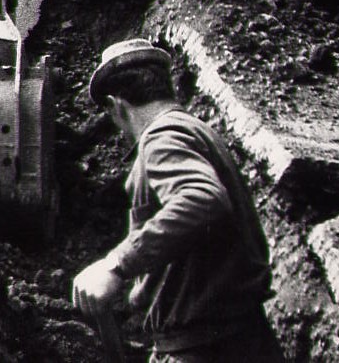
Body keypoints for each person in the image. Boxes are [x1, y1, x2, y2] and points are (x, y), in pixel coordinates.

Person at [72, 38, 284, 362]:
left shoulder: (161, 138)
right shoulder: (196, 130)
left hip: (207, 349)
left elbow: (202, 199)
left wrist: (116, 266)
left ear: (117, 106)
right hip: (239, 338)